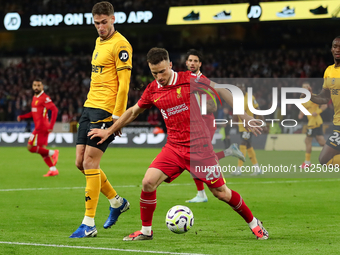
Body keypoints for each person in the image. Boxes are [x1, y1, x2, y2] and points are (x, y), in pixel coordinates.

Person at [88, 47, 268, 241]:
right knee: (148, 182)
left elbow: (221, 89)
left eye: (162, 71)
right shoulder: (152, 89)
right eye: (154, 72)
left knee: (221, 193)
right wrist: (109, 130)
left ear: (170, 65)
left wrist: (242, 114)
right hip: (173, 148)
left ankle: (254, 223)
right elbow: (133, 111)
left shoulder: (189, 79)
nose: (159, 76)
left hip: (200, 148)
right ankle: (146, 231)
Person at [69, 1, 132, 238]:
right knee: (79, 163)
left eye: (104, 22)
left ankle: (88, 224)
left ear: (113, 19)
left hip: (106, 111)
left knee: (90, 164)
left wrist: (117, 119)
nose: (100, 27)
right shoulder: (99, 41)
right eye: (96, 23)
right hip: (89, 107)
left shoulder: (122, 45)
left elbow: (124, 85)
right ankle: (117, 202)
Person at [185, 49, 245, 203]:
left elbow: (212, 107)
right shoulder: (184, 79)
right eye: (190, 60)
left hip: (205, 123)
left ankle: (204, 193)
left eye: (195, 61)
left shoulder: (202, 81)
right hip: (194, 125)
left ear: (200, 64)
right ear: (186, 62)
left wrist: (195, 106)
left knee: (196, 159)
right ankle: (229, 152)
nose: (192, 63)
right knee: (194, 159)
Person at [306, 36, 340, 166]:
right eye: (335, 46)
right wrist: (311, 96)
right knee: (324, 160)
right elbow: (325, 97)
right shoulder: (329, 71)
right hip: (337, 124)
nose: (338, 49)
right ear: (331, 49)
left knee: (324, 159)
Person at [17, 79, 59, 177]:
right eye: (35, 85)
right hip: (39, 127)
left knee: (30, 147)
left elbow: (55, 110)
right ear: (32, 86)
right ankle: (53, 170)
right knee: (41, 150)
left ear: (42, 87)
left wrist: (51, 126)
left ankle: (53, 152)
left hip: (42, 128)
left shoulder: (45, 98)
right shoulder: (35, 97)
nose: (36, 87)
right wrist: (22, 117)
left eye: (38, 85)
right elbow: (34, 112)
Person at [231, 83, 265, 176]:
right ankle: (257, 168)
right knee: (248, 146)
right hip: (241, 126)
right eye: (238, 88)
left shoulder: (250, 98)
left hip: (249, 125)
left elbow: (257, 109)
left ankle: (239, 169)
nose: (240, 89)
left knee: (243, 144)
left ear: (244, 88)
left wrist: (262, 121)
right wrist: (234, 121)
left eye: (242, 87)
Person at [298, 82, 327, 168]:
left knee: (307, 141)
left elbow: (324, 105)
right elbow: (303, 109)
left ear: (309, 88)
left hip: (315, 122)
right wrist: (301, 114)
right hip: (313, 122)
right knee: (321, 142)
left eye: (306, 87)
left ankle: (307, 162)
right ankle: (335, 150)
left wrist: (317, 112)